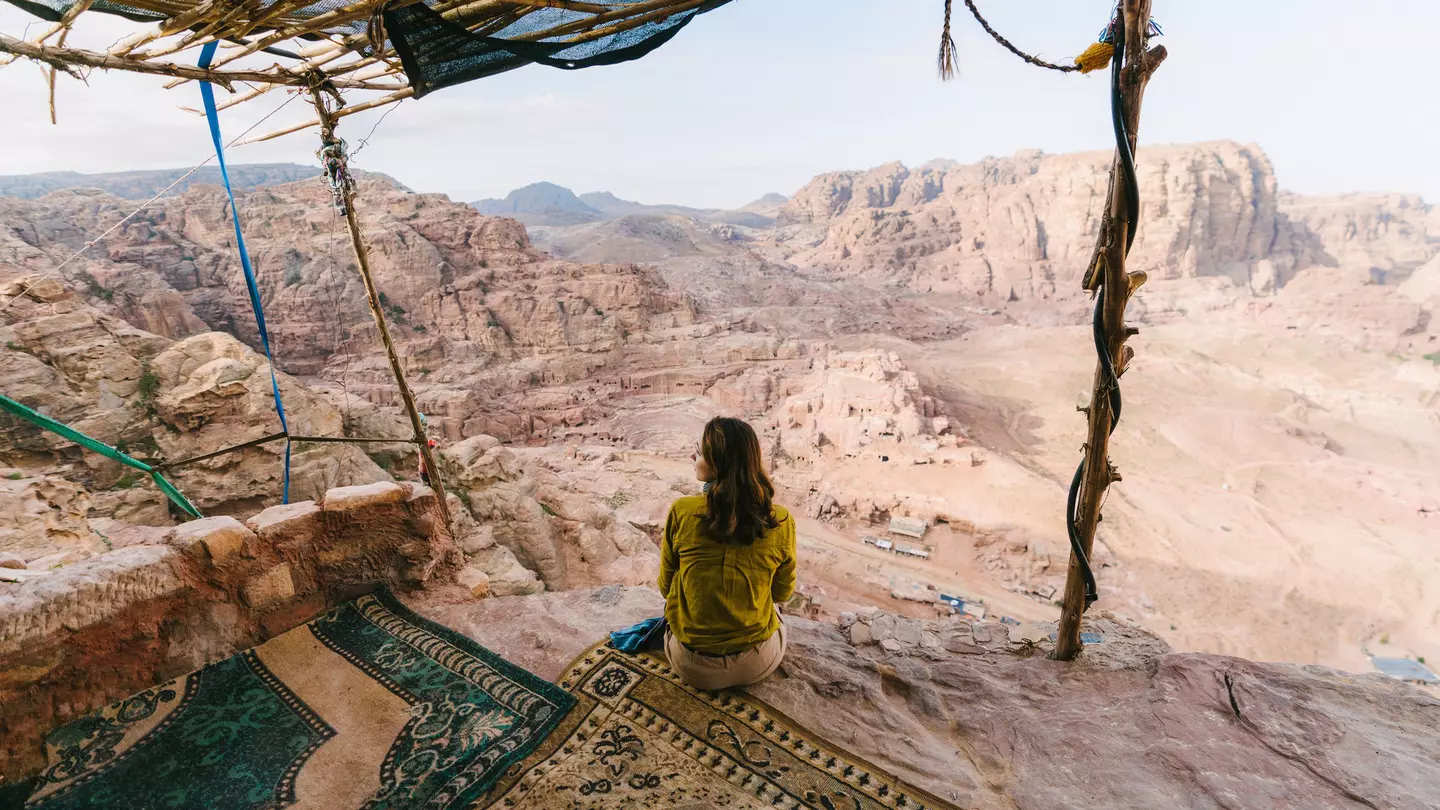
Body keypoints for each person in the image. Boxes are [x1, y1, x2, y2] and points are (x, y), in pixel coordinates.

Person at [658, 417, 796, 690]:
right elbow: (781, 594)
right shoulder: (779, 519)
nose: (692, 457)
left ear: (717, 463)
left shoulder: (683, 510)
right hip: (757, 664)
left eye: (698, 452)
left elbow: (665, 587)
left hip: (693, 667)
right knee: (774, 611)